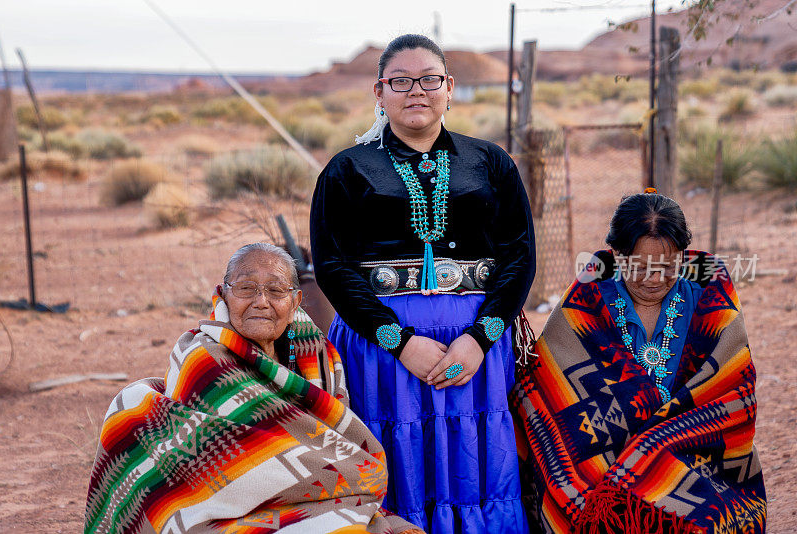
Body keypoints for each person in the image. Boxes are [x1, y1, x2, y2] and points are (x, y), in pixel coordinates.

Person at [310, 34, 534, 534]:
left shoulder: (491, 162)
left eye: (429, 79)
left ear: (449, 87)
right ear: (379, 91)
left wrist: (480, 339)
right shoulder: (347, 170)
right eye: (401, 81)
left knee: (478, 463)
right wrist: (400, 341)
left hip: (475, 344)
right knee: (395, 455)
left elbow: (518, 258)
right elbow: (332, 266)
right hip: (381, 348)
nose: (417, 91)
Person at [85, 243, 423, 534]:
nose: (261, 301)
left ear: (295, 301)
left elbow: (333, 432)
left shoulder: (317, 353)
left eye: (276, 291)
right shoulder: (204, 358)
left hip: (318, 496)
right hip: (227, 508)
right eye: (246, 288)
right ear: (223, 294)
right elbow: (237, 460)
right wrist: (352, 475)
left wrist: (340, 476)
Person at [509, 191, 767, 533]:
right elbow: (545, 389)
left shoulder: (709, 289)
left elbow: (732, 387)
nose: (655, 279)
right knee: (600, 517)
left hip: (694, 461)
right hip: (603, 469)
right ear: (617, 255)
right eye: (641, 267)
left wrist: (657, 444)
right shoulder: (589, 295)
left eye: (668, 266)